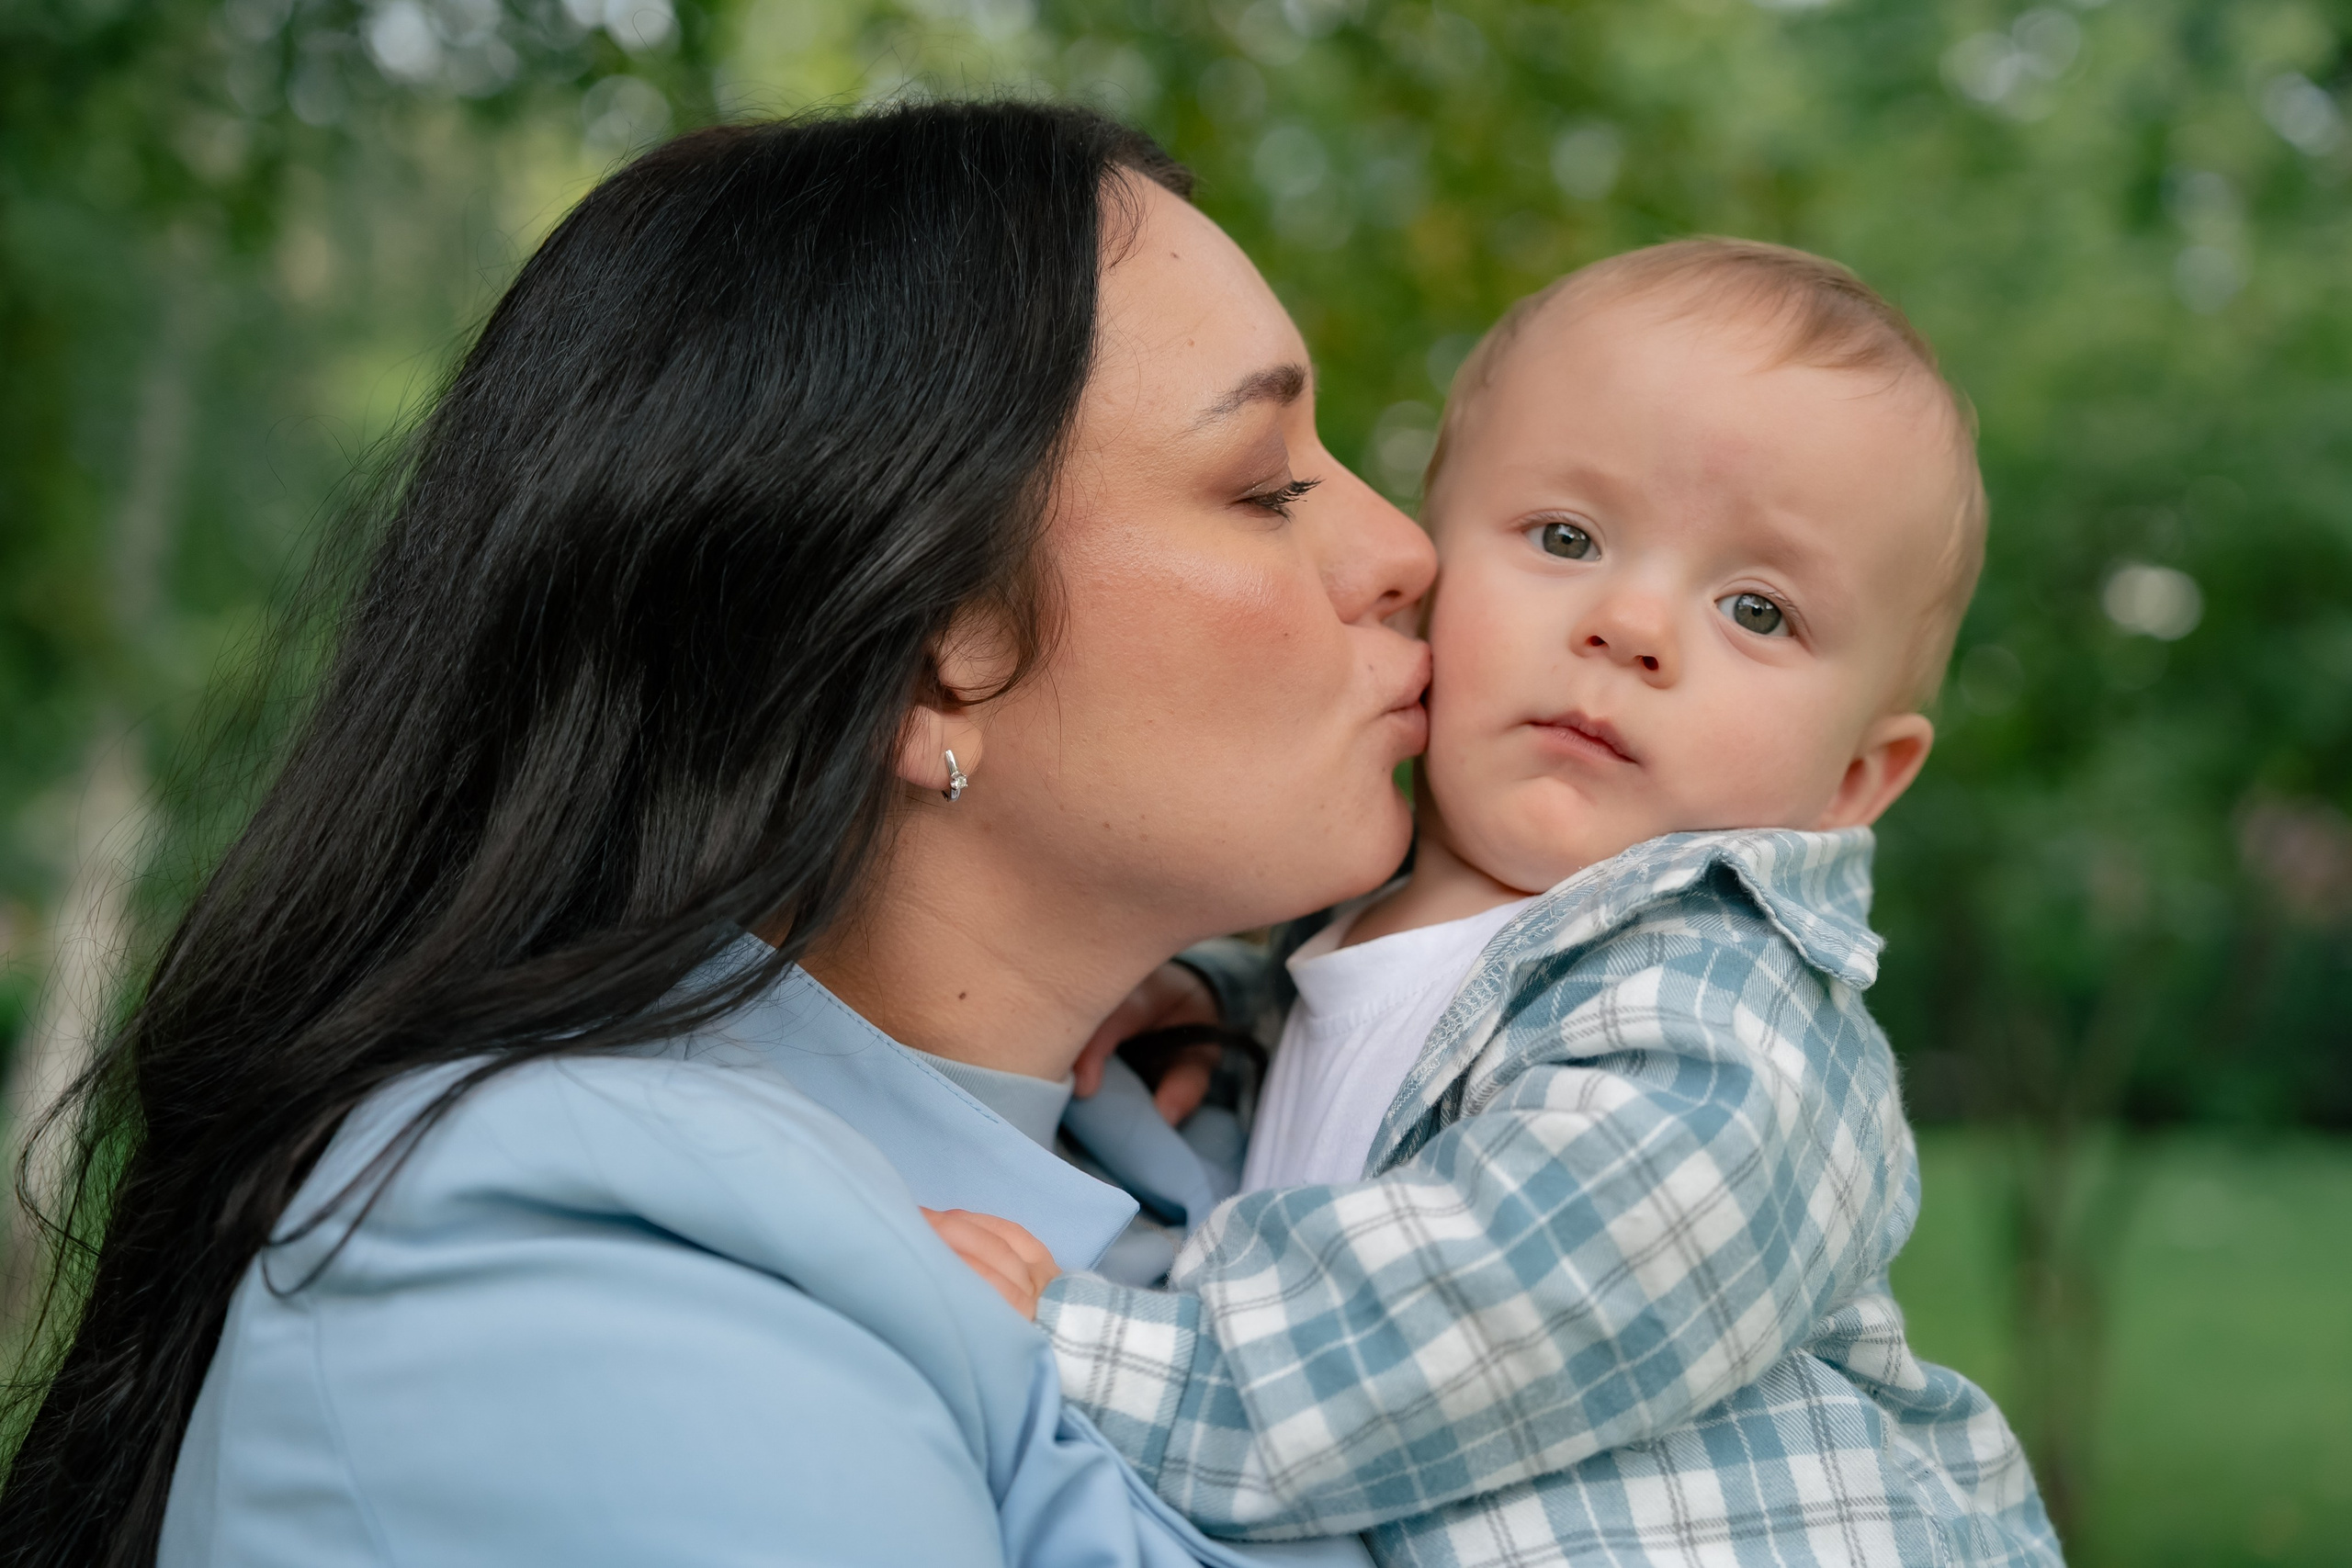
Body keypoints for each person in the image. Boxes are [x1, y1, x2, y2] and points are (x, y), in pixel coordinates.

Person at [0, 103, 1437, 1567]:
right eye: (1266, 488)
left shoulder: (1241, 1148)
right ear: (935, 654)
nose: (1407, 552)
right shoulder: (568, 1258)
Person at [1001, 242, 2065, 1566]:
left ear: (1856, 777)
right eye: (1566, 537)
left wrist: (1061, 1349)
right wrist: (1225, 1008)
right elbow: (1390, 1062)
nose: (1631, 623)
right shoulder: (1347, 935)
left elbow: (1486, 1317)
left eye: (1756, 609)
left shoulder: (1725, 1026)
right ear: (1421, 570)